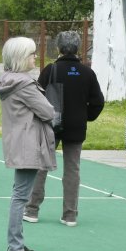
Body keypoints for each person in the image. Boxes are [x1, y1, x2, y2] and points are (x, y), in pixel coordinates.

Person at [23, 31, 104, 227]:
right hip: (77, 126)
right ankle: (70, 215)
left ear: (58, 48)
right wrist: (86, 116)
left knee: (42, 166)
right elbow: (98, 102)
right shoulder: (87, 72)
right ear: (78, 48)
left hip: (51, 123)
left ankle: (32, 209)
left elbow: (37, 96)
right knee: (72, 170)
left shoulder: (50, 70)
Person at [0, 37, 56, 251]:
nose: (34, 57)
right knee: (20, 197)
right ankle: (15, 247)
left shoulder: (7, 80)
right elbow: (48, 111)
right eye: (31, 54)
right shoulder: (25, 84)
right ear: (22, 57)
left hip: (17, 140)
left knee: (19, 194)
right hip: (29, 143)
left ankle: (17, 242)